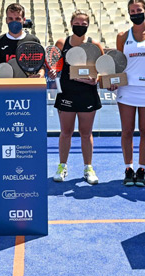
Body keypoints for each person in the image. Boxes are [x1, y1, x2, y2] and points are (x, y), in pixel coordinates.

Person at [111, 0, 145, 187]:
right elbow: (118, 64)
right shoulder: (122, 36)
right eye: (132, 11)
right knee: (127, 131)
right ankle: (128, 168)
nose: (135, 13)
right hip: (126, 89)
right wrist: (112, 81)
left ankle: (141, 169)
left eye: (138, 10)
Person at [49, 10, 104, 185]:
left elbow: (102, 69)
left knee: (86, 133)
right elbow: (54, 66)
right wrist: (52, 71)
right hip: (66, 93)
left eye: (83, 24)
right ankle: (62, 166)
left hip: (88, 94)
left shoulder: (94, 44)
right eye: (77, 23)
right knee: (66, 132)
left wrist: (97, 78)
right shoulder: (61, 43)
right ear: (71, 23)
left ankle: (88, 168)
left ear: (88, 25)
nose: (80, 27)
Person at [0, 3, 43, 83]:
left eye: (17, 19)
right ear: (6, 20)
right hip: (5, 89)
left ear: (24, 20)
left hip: (28, 87)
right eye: (10, 18)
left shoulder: (33, 40)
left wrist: (40, 75)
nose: (14, 22)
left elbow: (41, 66)